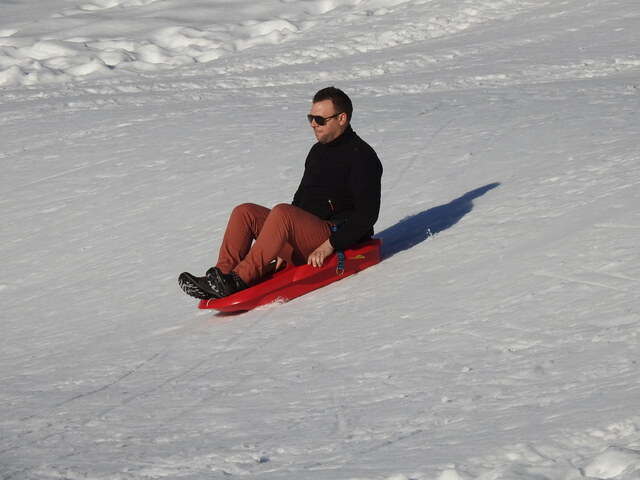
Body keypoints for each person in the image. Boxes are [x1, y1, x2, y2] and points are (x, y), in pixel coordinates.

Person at [178, 86, 383, 299]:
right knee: (245, 211)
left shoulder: (361, 157)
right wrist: (284, 242)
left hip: (334, 235)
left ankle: (240, 278)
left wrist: (330, 245)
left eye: (320, 120)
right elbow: (302, 199)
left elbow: (367, 214)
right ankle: (223, 274)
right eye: (310, 118)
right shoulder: (317, 152)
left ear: (342, 118)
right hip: (309, 233)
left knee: (283, 212)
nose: (313, 124)